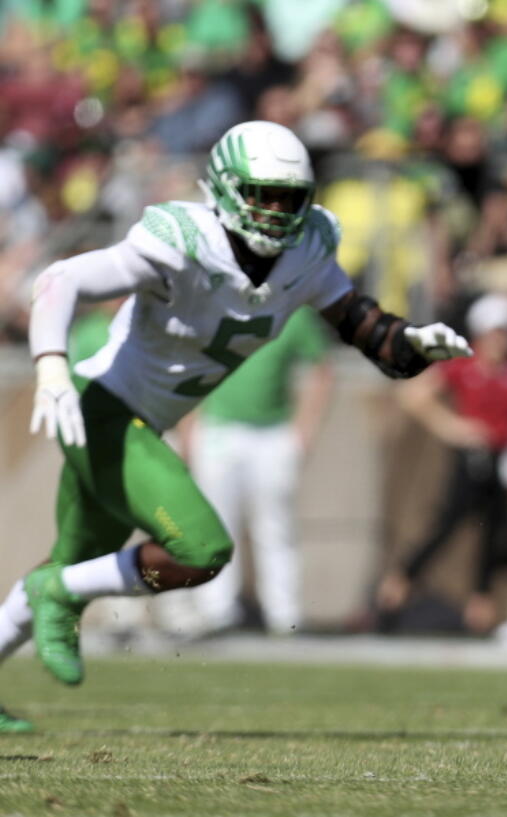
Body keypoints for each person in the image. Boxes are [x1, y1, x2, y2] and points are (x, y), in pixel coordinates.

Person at [0, 121, 472, 732]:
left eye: (288, 198)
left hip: (145, 424)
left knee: (67, 564)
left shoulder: (308, 249)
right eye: (261, 194)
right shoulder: (181, 238)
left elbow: (357, 319)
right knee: (199, 551)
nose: (276, 212)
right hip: (101, 407)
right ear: (223, 188)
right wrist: (52, 367)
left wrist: (406, 342)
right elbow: (60, 280)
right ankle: (59, 594)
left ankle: (56, 591)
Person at [174, 306, 335, 637]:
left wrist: (305, 432)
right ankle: (216, 613)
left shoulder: (294, 312)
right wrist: (189, 427)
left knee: (276, 526)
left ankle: (284, 616)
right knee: (214, 525)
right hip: (219, 429)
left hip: (273, 433)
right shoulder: (214, 302)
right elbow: (189, 367)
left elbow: (321, 368)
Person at [374, 293, 507, 635]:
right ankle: (398, 586)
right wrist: (453, 428)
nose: (504, 339)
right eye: (498, 332)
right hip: (472, 460)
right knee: (446, 526)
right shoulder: (464, 365)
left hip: (503, 460)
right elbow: (414, 397)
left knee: (496, 535)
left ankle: (480, 609)